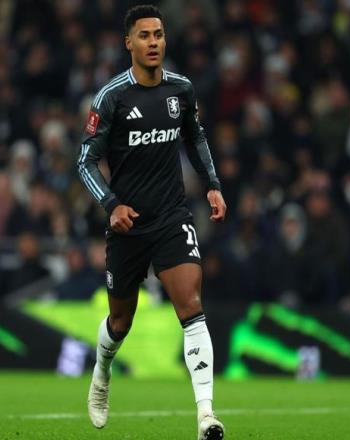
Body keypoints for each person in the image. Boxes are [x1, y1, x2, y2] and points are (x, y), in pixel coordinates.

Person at [77, 5, 227, 439]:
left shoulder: (181, 89)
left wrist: (212, 184)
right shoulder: (111, 98)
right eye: (144, 36)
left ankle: (206, 416)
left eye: (158, 34)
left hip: (170, 217)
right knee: (120, 323)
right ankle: (102, 373)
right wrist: (111, 205)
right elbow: (85, 161)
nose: (154, 42)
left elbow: (195, 136)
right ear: (129, 43)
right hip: (127, 225)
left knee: (191, 307)